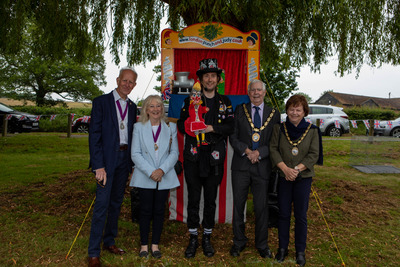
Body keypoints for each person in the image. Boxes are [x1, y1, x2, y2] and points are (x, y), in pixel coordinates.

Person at [177, 58, 234, 258]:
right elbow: (180, 125)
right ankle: (193, 237)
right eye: (206, 76)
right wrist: (193, 129)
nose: (209, 79)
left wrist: (211, 128)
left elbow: (230, 127)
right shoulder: (189, 100)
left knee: (210, 199)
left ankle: (207, 237)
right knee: (193, 198)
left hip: (214, 157)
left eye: (213, 76)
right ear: (200, 79)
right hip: (193, 156)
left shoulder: (225, 102)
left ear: (218, 79)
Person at [87, 67, 138, 267]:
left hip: (124, 160)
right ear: (117, 80)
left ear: (134, 85)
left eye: (131, 82)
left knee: (116, 204)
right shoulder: (101, 102)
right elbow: (94, 136)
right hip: (106, 162)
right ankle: (93, 252)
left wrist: (131, 164)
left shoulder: (133, 107)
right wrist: (98, 166)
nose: (127, 84)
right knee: (101, 205)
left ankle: (109, 242)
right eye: (124, 80)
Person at [229, 79, 281, 258]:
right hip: (241, 166)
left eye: (259, 90)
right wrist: (247, 151)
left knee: (261, 207)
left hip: (262, 166)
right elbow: (233, 137)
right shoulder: (239, 111)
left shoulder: (274, 114)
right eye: (253, 90)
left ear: (265, 92)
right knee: (238, 206)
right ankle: (238, 242)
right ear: (248, 92)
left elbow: (275, 142)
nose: (256, 93)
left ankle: (262, 244)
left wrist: (259, 153)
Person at [270, 94, 323, 266]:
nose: (294, 112)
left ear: (304, 111)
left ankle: (300, 251)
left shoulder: (313, 130)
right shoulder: (279, 128)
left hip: (303, 178)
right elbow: (273, 149)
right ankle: (282, 249)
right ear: (287, 110)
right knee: (284, 214)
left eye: (298, 109)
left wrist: (296, 169)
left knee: (301, 216)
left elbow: (314, 154)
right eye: (291, 109)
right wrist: (285, 169)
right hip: (284, 176)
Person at [130, 95, 180, 259]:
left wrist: (161, 171)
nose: (155, 109)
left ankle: (155, 245)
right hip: (145, 175)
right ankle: (144, 245)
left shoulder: (170, 126)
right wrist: (151, 171)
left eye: (158, 106)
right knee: (145, 211)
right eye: (151, 106)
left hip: (164, 176)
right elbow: (135, 154)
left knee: (159, 211)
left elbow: (174, 153)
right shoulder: (138, 127)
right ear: (146, 109)